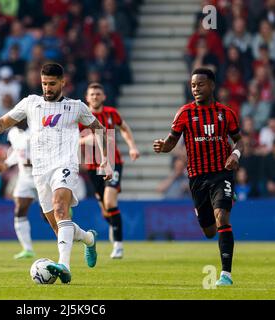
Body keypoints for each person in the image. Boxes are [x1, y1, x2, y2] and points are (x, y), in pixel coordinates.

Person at [0, 63, 112, 284]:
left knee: (60, 207)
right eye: (44, 84)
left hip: (65, 164)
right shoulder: (31, 103)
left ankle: (64, 267)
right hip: (39, 172)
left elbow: (100, 129)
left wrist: (106, 160)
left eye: (52, 84)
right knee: (58, 225)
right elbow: (3, 121)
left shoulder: (76, 107)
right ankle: (88, 238)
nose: (47, 88)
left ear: (62, 83)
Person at [153, 68, 242, 286]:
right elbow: (172, 140)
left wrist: (235, 153)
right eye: (193, 85)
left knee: (222, 217)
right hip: (197, 178)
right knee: (209, 230)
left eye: (200, 84)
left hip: (221, 173)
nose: (196, 89)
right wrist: (164, 147)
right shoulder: (184, 113)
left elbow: (240, 140)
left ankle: (226, 275)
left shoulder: (226, 113)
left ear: (212, 85)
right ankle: (219, 202)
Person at [79, 83, 140, 259]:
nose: (95, 97)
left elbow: (124, 128)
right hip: (93, 166)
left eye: (98, 94)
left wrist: (132, 147)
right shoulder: (82, 118)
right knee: (106, 209)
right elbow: (72, 140)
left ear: (104, 97)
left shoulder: (112, 113)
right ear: (87, 98)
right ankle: (114, 226)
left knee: (110, 201)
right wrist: (85, 140)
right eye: (92, 94)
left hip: (114, 162)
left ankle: (118, 245)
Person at [0, 119, 37, 259]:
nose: (13, 120)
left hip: (42, 175)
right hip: (24, 177)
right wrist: (6, 163)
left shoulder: (38, 129)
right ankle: (27, 249)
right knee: (20, 210)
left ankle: (63, 207)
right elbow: (17, 151)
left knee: (48, 215)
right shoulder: (13, 133)